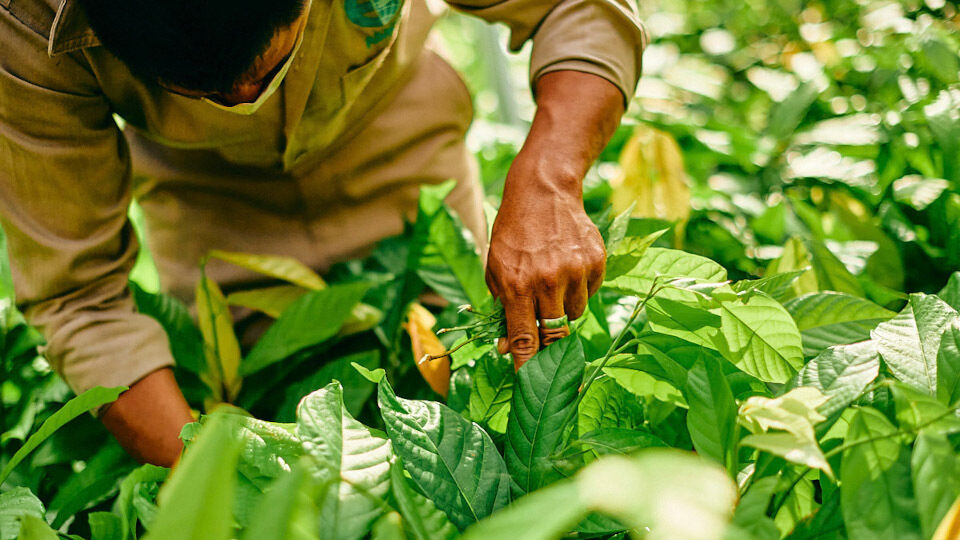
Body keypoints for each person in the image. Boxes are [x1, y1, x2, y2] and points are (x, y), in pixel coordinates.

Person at [0, 0, 646, 466]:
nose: (246, 96)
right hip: (210, 202)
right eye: (204, 88)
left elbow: (580, 6)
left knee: (465, 371)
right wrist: (222, 484)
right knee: (272, 400)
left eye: (265, 65)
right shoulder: (23, 23)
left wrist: (548, 180)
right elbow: (79, 297)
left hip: (398, 129)